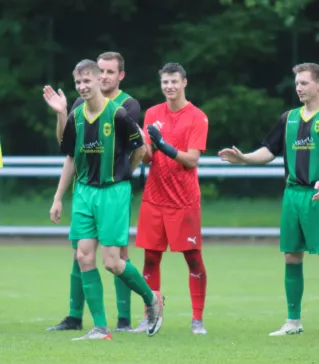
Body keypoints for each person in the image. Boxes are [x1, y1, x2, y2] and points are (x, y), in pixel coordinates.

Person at [219, 63, 319, 336]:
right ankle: (293, 322)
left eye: (304, 83)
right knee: (291, 256)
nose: (299, 88)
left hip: (318, 194)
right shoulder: (289, 118)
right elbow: (269, 150)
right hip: (292, 195)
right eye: (297, 83)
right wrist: (244, 159)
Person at [49, 59, 163, 340]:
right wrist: (62, 113)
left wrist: (124, 175)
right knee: (84, 255)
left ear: (100, 80)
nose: (83, 86)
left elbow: (140, 149)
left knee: (112, 261)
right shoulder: (75, 115)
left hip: (113, 192)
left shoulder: (120, 115)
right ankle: (100, 327)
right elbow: (68, 151)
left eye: (87, 80)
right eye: (78, 82)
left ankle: (152, 300)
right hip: (85, 191)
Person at [133, 63, 209, 335]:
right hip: (154, 197)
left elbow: (191, 159)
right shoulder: (153, 113)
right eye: (165, 82)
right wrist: (138, 144)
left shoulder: (198, 117)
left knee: (192, 258)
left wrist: (164, 145)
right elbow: (150, 155)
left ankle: (197, 319)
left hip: (184, 200)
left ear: (184, 82)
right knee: (151, 259)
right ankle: (150, 315)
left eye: (174, 81)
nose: (169, 87)